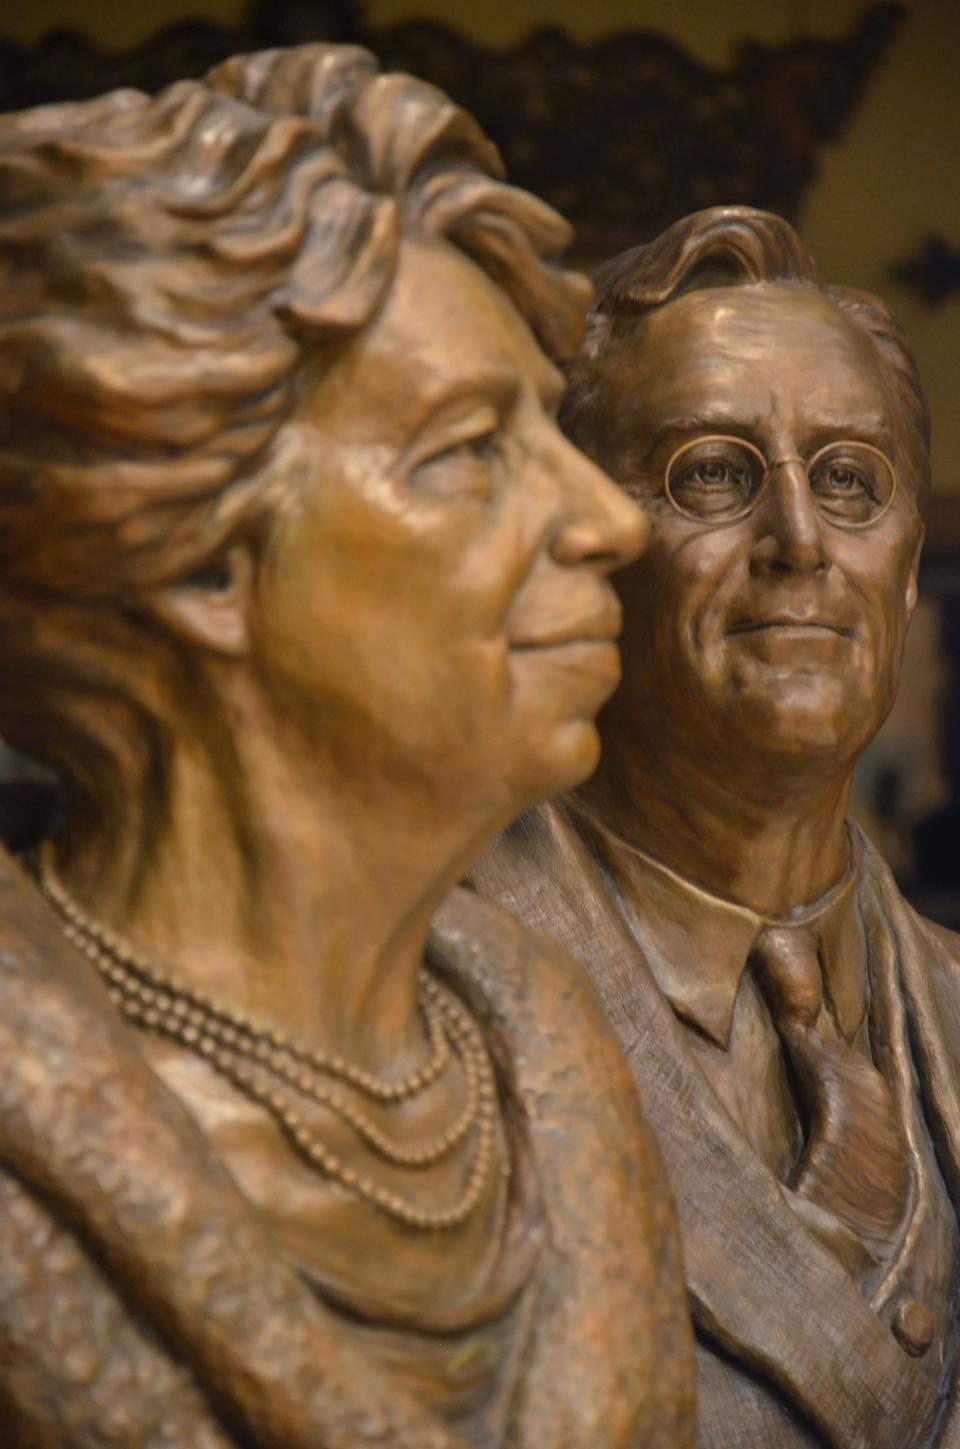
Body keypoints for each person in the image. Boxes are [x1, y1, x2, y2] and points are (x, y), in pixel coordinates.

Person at [0, 45, 695, 1449]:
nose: (614, 522)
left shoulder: (553, 1065)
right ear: (201, 567)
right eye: (466, 450)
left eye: (550, 433)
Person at [472, 205, 960, 1449]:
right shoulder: (429, 995)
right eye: (712, 476)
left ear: (906, 571)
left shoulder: (953, 1005)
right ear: (575, 552)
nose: (800, 541)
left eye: (852, 481)